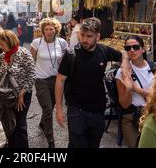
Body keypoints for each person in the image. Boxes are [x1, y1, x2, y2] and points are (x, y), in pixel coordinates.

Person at [55, 17, 131, 148]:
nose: (85, 39)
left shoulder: (104, 51)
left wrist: (124, 63)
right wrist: (59, 109)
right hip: (76, 110)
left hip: (98, 111)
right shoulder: (71, 54)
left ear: (98, 36)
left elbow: (124, 53)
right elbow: (60, 81)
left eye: (89, 36)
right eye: (82, 35)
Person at [30, 18, 68, 148]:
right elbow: (31, 62)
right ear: (43, 30)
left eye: (51, 29)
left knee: (50, 106)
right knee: (47, 108)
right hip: (41, 80)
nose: (49, 31)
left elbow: (66, 60)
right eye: (46, 29)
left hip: (57, 81)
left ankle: (42, 123)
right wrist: (31, 79)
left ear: (56, 29)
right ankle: (51, 140)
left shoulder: (62, 43)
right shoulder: (36, 43)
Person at [115, 35, 156, 148]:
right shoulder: (122, 72)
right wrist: (128, 88)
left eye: (135, 47)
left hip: (154, 115)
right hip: (131, 116)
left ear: (143, 49)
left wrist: (137, 89)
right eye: (128, 48)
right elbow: (124, 104)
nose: (132, 50)